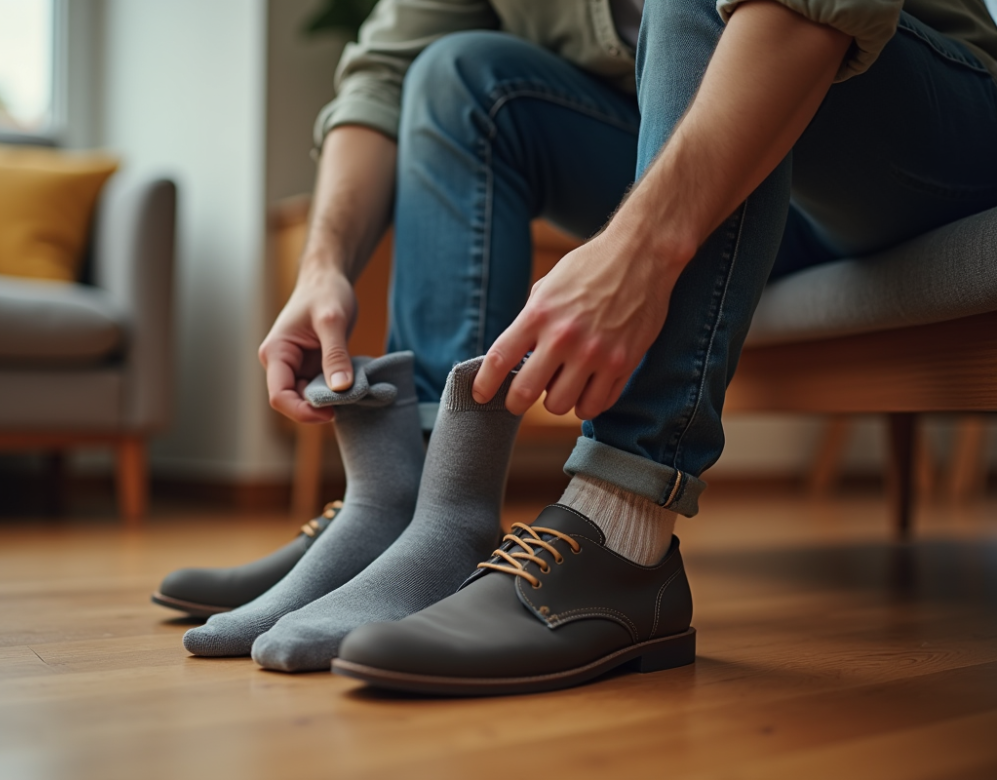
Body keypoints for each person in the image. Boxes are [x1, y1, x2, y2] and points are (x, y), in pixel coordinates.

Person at [163, 0, 997, 694]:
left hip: (921, 144)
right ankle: (421, 519)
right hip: (759, 187)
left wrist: (641, 249)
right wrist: (322, 266)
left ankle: (621, 534)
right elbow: (384, 72)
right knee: (458, 76)